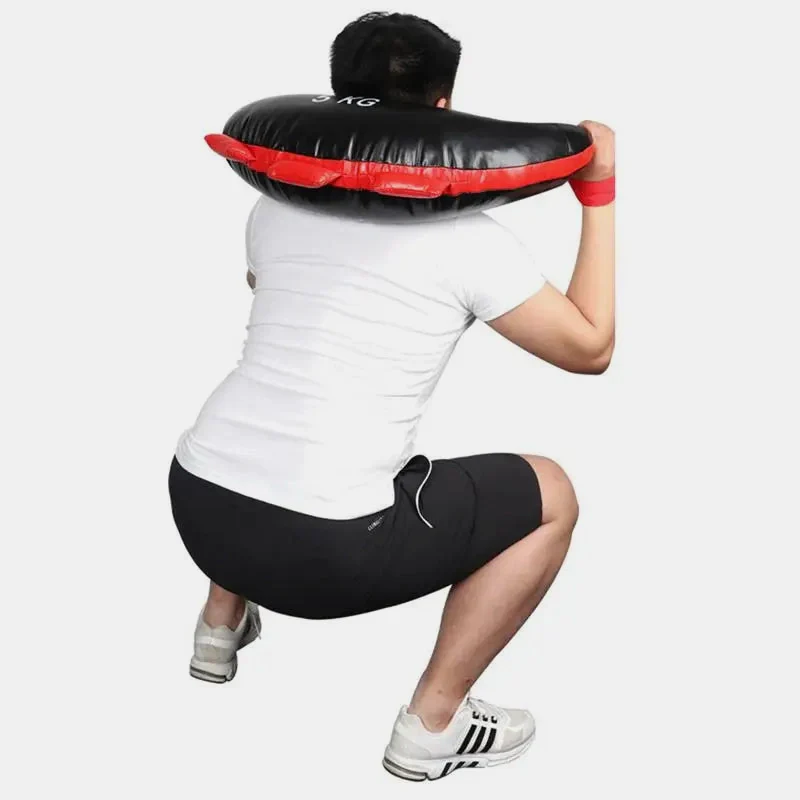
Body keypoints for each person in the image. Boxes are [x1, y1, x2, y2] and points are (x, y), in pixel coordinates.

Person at [168, 11, 615, 781]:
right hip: (326, 555)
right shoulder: (469, 240)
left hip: (198, 501)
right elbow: (590, 348)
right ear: (444, 109)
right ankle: (434, 725)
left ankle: (219, 624)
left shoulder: (271, 206)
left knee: (282, 410)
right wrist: (598, 194)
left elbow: (267, 290)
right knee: (553, 493)